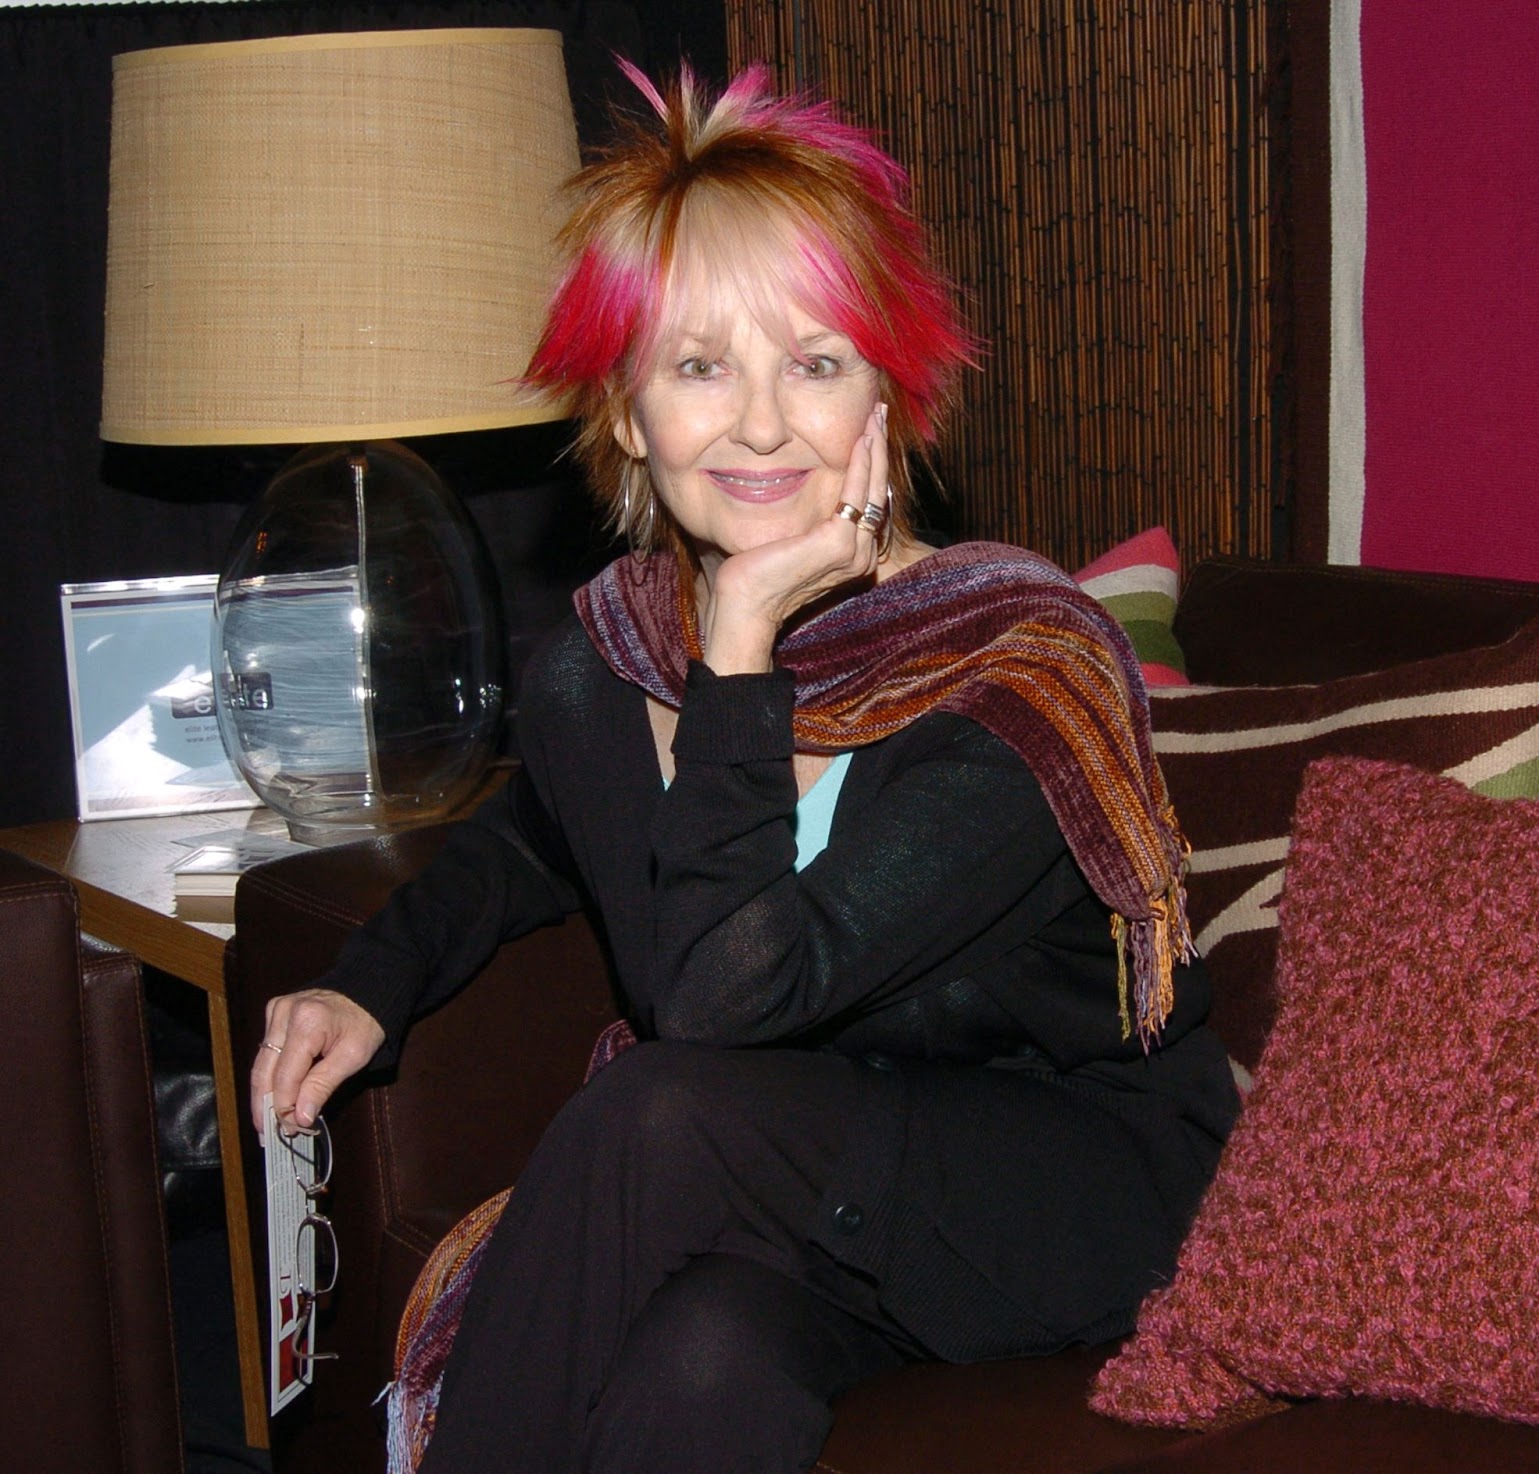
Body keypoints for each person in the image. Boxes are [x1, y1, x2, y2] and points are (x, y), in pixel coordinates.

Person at [251, 62, 1240, 1474]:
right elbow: (537, 840)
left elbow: (724, 1001)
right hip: (822, 1188)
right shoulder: (606, 662)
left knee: (659, 1111)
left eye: (817, 362)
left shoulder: (1016, 671)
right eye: (702, 365)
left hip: (1060, 1182)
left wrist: (740, 647)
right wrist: (370, 975)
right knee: (700, 1367)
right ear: (629, 412)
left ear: (888, 404)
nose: (762, 422)